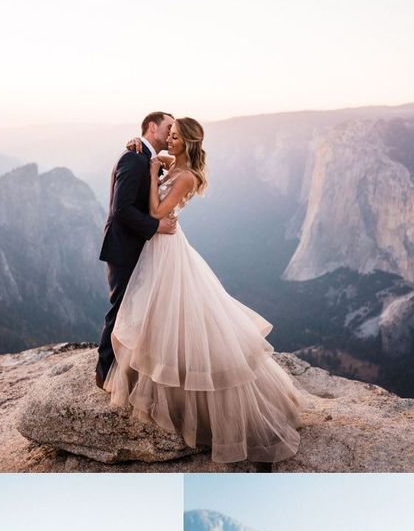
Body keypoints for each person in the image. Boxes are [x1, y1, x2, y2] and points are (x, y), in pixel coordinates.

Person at [104, 116, 305, 465]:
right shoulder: (172, 162)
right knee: (153, 313)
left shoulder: (186, 177)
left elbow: (155, 211)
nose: (171, 139)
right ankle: (136, 370)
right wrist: (135, 143)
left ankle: (174, 393)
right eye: (171, 133)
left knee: (167, 313)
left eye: (178, 137)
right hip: (157, 244)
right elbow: (148, 151)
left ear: (189, 143)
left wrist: (152, 175)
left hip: (165, 246)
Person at [95, 110, 178, 388]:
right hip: (124, 248)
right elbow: (121, 210)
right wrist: (157, 227)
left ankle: (128, 367)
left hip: (141, 247)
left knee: (138, 308)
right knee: (120, 308)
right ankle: (105, 372)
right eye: (168, 127)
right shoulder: (133, 158)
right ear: (153, 127)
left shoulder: (147, 157)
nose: (171, 132)